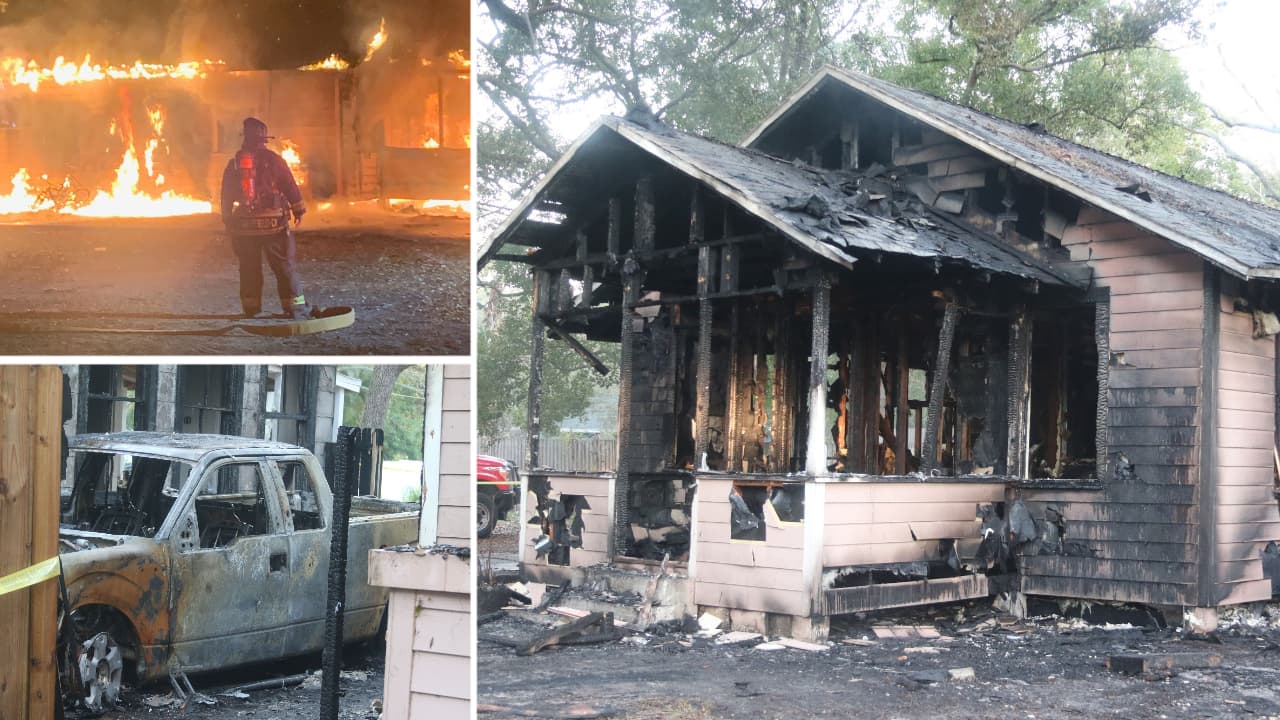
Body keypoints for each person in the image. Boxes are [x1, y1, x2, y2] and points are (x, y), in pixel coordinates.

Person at [220, 117, 310, 319]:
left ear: (245, 138)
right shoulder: (274, 160)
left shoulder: (234, 164)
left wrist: (227, 219)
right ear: (264, 139)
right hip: (274, 225)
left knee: (249, 268)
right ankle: (294, 307)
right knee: (283, 265)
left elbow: (226, 194)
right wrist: (299, 210)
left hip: (244, 227)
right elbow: (290, 186)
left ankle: (251, 309)